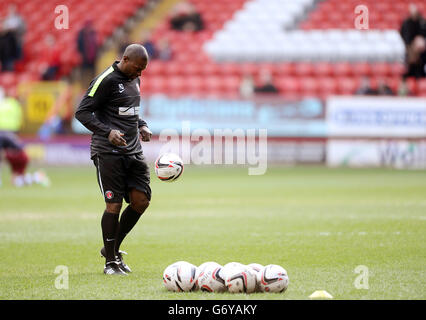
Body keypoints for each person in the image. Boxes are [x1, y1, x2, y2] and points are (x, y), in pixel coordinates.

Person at [75, 44, 153, 275]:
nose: (140, 74)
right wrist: (107, 131)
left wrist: (142, 125)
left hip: (133, 151)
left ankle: (112, 248)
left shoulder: (135, 79)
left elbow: (130, 111)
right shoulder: (105, 80)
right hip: (108, 152)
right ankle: (111, 262)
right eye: (137, 68)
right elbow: (82, 112)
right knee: (114, 205)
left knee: (141, 201)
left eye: (143, 70)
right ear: (125, 59)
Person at [0, 87, 49, 187]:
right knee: (16, 181)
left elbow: (2, 154)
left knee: (3, 156)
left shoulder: (2, 135)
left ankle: (38, 176)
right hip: (21, 153)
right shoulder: (13, 104)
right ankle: (37, 177)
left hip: (20, 156)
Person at [400, 3, 426, 78]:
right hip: (410, 45)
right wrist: (410, 45)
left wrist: (420, 40)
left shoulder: (422, 22)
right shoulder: (407, 23)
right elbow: (404, 35)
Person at [77, 20, 99, 88]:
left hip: (93, 58)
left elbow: (96, 45)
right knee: (84, 73)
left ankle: (92, 85)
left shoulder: (93, 33)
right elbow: (79, 45)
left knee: (92, 73)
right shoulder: (81, 34)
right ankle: (84, 87)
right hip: (85, 58)